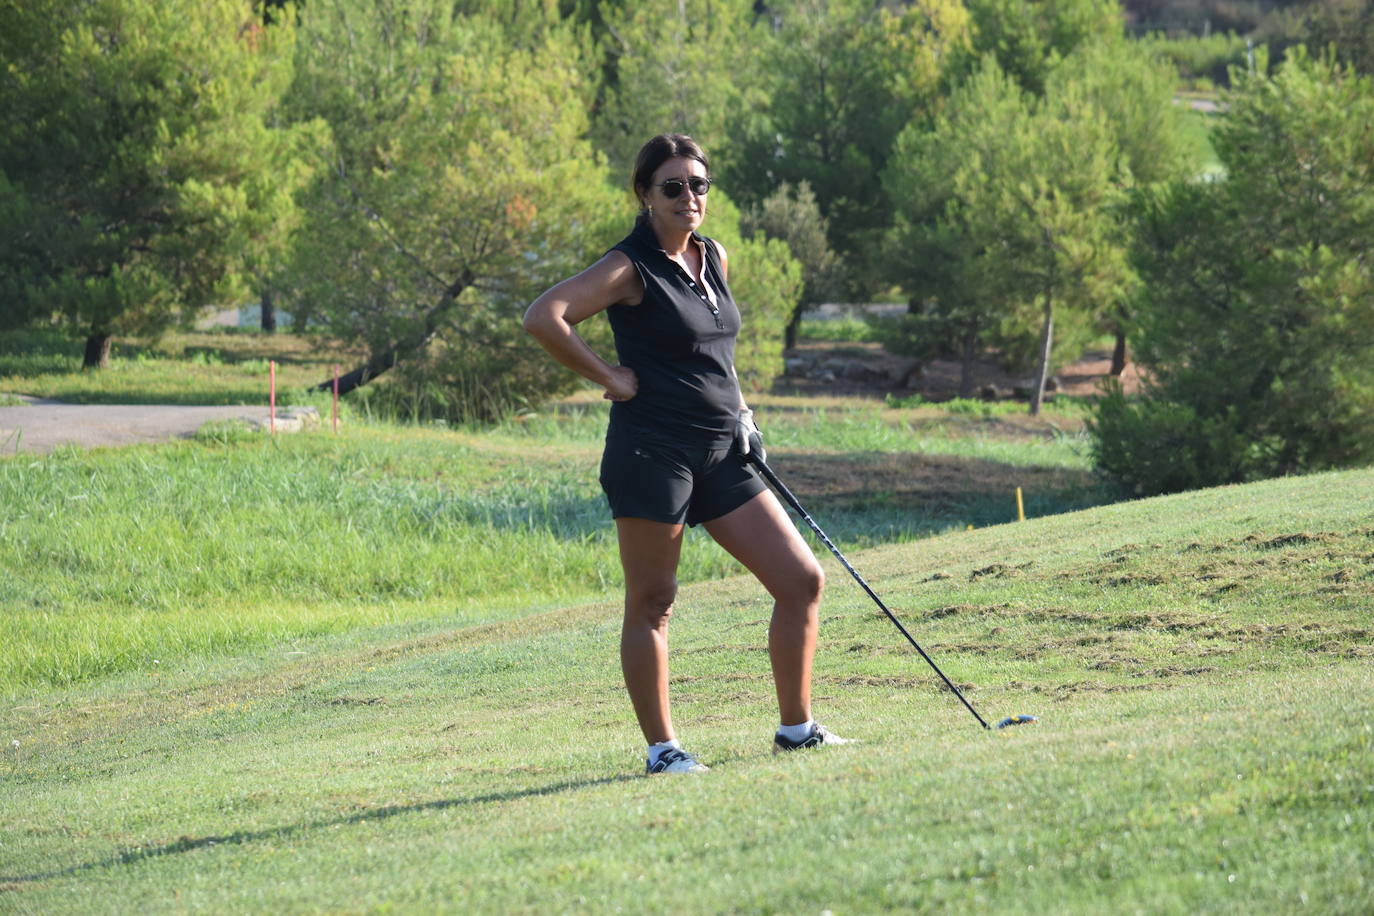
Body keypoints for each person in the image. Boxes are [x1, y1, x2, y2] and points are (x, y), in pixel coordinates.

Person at [523, 133, 848, 775]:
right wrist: (610, 378)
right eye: (672, 186)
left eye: (699, 185)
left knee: (801, 580)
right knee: (653, 601)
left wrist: (745, 414)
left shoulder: (713, 256)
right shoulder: (629, 266)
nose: (689, 197)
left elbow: (716, 355)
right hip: (653, 453)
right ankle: (664, 750)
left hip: (724, 451)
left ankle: (796, 729)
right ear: (645, 195)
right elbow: (545, 316)